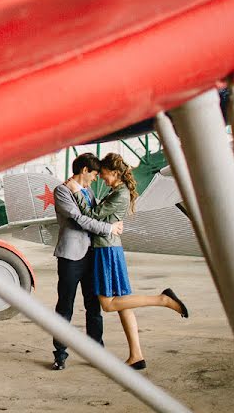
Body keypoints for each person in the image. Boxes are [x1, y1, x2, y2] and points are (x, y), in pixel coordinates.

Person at [69, 152, 189, 370]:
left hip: (106, 251)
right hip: (111, 247)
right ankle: (137, 355)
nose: (101, 178)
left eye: (103, 174)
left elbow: (92, 215)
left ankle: (162, 299)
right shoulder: (117, 191)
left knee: (108, 304)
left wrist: (77, 192)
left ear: (114, 172)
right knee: (124, 305)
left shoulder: (120, 194)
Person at [51, 153, 124, 371]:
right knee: (65, 307)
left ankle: (96, 352)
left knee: (93, 307)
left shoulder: (89, 192)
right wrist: (109, 229)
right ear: (84, 170)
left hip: (92, 255)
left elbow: (96, 215)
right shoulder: (62, 191)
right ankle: (60, 354)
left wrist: (112, 224)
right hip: (70, 256)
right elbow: (81, 220)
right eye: (94, 174)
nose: (96, 178)